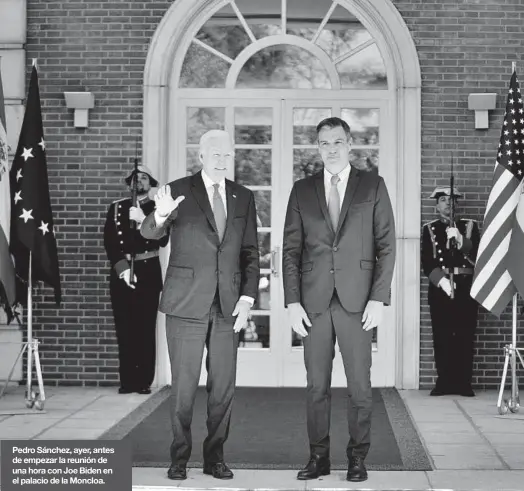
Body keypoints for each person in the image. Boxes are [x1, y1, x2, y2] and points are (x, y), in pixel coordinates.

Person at [140, 129, 259, 481]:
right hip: (185, 305)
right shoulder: (176, 190)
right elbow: (150, 234)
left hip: (227, 307)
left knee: (223, 389)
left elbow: (249, 251)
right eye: (216, 154)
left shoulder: (243, 196)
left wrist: (248, 297)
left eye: (227, 154)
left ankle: (215, 458)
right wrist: (160, 215)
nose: (223, 160)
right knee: (184, 387)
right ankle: (179, 458)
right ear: (202, 156)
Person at [282, 117, 396, 483]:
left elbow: (386, 246)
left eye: (337, 141)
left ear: (350, 144)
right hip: (312, 303)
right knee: (316, 386)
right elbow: (290, 250)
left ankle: (357, 458)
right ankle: (318, 458)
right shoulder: (302, 190)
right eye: (323, 143)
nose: (330, 148)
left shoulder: (372, 186)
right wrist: (292, 301)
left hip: (358, 303)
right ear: (318, 147)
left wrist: (379, 298)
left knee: (359, 386)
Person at [103, 165, 167, 395]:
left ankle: (143, 382)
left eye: (143, 178)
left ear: (150, 183)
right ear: (129, 183)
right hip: (122, 275)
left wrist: (143, 220)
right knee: (125, 328)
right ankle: (127, 381)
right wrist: (122, 270)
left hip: (148, 272)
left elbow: (163, 239)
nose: (138, 181)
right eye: (134, 178)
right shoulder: (116, 208)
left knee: (145, 329)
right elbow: (110, 242)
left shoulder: (158, 208)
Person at [421, 186, 480, 397]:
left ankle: (463, 383)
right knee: (442, 336)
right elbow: (427, 260)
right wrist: (442, 281)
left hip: (465, 287)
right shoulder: (429, 228)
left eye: (452, 199)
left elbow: (478, 257)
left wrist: (461, 240)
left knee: (464, 335)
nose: (448, 203)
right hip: (441, 288)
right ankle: (444, 382)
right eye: (444, 200)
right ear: (437, 206)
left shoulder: (470, 226)